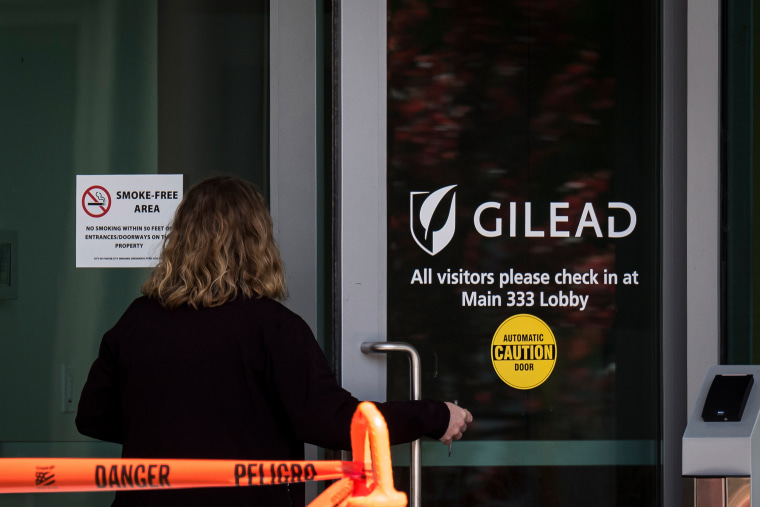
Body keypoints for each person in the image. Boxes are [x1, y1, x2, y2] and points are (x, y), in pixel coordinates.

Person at [76, 175, 472, 507]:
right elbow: (334, 423)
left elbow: (93, 416)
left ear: (180, 239)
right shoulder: (272, 327)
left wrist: (170, 434)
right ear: (258, 243)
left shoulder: (138, 320)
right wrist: (433, 415)